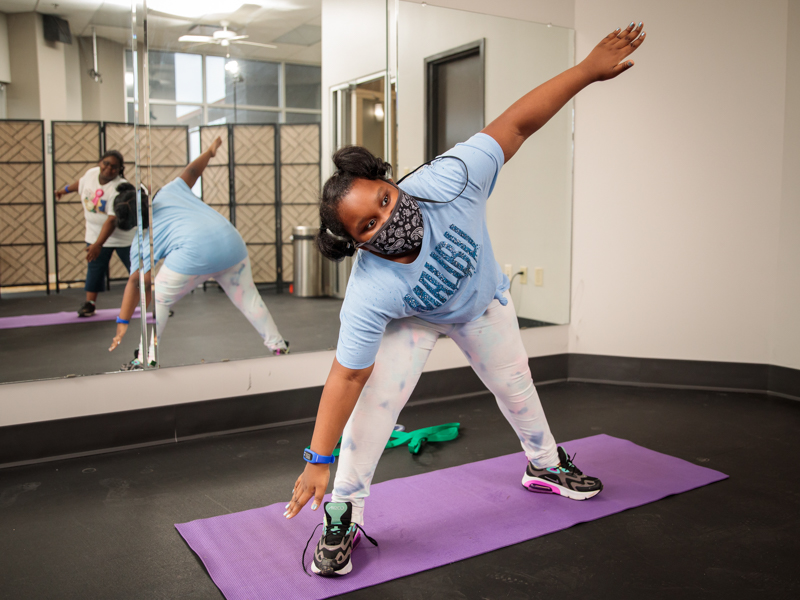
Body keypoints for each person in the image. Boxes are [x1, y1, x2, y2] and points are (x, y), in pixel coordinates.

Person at [285, 22, 648, 577]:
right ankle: (342, 513)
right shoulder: (371, 289)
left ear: (393, 184)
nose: (387, 217)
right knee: (374, 413)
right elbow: (346, 377)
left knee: (517, 388)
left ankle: (545, 467)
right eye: (368, 224)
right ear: (354, 242)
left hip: (481, 301)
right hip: (415, 317)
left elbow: (518, 123)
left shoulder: (450, 179)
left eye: (385, 199)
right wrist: (317, 459)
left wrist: (587, 71)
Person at [107, 136, 289, 363]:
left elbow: (137, 284)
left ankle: (147, 357)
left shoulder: (141, 241)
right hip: (231, 244)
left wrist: (122, 324)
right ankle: (278, 346)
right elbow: (193, 171)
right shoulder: (169, 191)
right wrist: (210, 152)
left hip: (195, 254)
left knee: (161, 300)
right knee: (249, 298)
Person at [55, 150, 133, 317]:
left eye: (114, 167)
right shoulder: (91, 173)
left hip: (122, 237)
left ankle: (155, 302)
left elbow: (112, 220)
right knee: (95, 268)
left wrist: (98, 244)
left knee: (136, 271)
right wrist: (64, 190)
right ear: (100, 163)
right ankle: (89, 303)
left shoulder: (120, 187)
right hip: (94, 232)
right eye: (106, 163)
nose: (108, 168)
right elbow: (81, 184)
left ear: (119, 169)